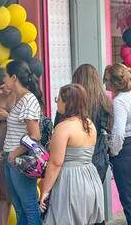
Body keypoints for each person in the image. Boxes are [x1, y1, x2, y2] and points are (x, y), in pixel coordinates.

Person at [40, 84, 104, 225]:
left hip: (70, 180)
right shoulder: (89, 124)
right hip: (90, 177)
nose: (57, 102)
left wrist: (45, 191)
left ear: (67, 102)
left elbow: (55, 163)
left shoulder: (63, 128)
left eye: (59, 99)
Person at [53, 64, 112, 183]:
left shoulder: (69, 103)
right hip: (97, 159)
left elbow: (57, 127)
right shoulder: (104, 103)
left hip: (71, 162)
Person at [2, 60, 42, 225]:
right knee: (19, 206)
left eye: (5, 76)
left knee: (28, 206)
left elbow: (34, 135)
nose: (3, 80)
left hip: (21, 160)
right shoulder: (19, 99)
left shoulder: (27, 99)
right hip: (12, 158)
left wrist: (14, 152)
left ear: (14, 77)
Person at [104, 63, 131, 225]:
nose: (104, 83)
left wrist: (113, 151)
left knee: (127, 197)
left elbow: (119, 133)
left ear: (115, 82)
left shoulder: (119, 102)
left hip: (125, 150)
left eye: (106, 79)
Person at [0, 68, 16, 225]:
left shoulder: (21, 95)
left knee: (19, 194)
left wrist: (7, 116)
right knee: (4, 194)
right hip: (1, 143)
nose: (1, 91)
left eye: (3, 86)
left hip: (17, 146)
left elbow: (31, 123)